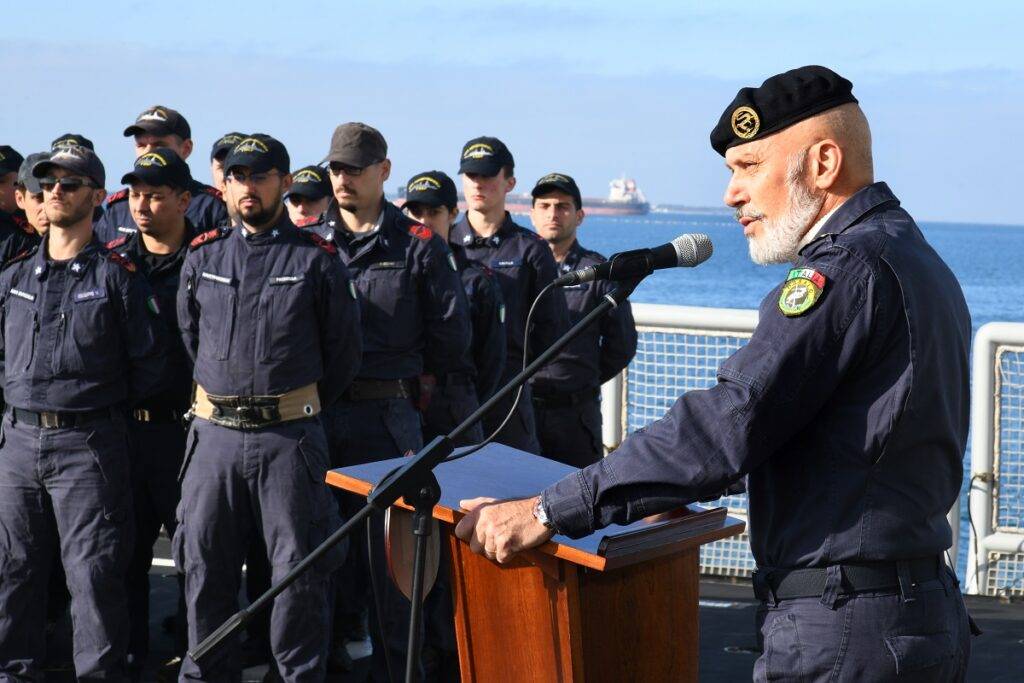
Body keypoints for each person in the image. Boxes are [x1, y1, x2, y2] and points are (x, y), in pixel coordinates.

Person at [454, 65, 974, 682]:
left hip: (845, 631)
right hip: (906, 612)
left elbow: (727, 425)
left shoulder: (841, 273)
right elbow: (823, 433)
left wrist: (544, 511)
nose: (732, 193)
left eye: (749, 166)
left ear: (824, 164)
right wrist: (651, 493)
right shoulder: (908, 253)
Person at [175, 134, 362, 682]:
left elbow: (342, 355)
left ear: (283, 181)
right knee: (204, 568)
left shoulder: (318, 260)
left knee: (296, 574)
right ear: (225, 185)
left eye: (260, 176)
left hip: (288, 440)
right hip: (214, 440)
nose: (247, 187)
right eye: (237, 177)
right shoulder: (204, 253)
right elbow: (190, 337)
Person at [0, 144, 167, 680]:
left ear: (96, 197)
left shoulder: (118, 277)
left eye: (69, 184)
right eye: (48, 183)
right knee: (14, 571)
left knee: (93, 577)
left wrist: (93, 410)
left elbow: (150, 367)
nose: (55, 192)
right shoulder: (16, 275)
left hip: (88, 445)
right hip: (19, 443)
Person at [317, 123, 471, 680]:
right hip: (318, 418)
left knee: (393, 570)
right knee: (317, 558)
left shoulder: (419, 247)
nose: (343, 179)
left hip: (388, 419)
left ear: (383, 171)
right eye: (336, 169)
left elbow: (451, 340)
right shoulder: (311, 241)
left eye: (355, 169)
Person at [402, 170, 506, 681]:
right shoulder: (398, 265)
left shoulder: (475, 279)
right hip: (404, 415)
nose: (422, 221)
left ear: (450, 216)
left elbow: (490, 362)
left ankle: (455, 652)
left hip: (454, 413)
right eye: (414, 212)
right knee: (404, 542)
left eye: (433, 213)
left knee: (454, 537)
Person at [108, 148, 198, 680]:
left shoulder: (207, 261)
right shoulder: (116, 261)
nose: (142, 205)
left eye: (156, 195)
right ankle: (132, 654)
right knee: (125, 555)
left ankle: (194, 653)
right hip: (126, 430)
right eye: (136, 195)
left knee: (196, 557)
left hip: (188, 430)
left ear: (183, 200)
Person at [449, 136, 569, 454]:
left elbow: (552, 330)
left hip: (508, 394)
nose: (477, 184)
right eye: (470, 175)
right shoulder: (442, 245)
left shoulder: (530, 250)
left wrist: (515, 366)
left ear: (509, 182)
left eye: (487, 175)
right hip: (450, 391)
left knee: (513, 488)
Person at [529, 172, 636, 467]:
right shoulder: (520, 270)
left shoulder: (600, 272)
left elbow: (622, 345)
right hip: (522, 412)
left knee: (578, 505)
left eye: (563, 206)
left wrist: (582, 378)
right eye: (545, 206)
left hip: (576, 417)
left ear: (579, 216)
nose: (553, 214)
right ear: (532, 214)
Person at [94, 106, 228, 241]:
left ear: (186, 149)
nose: (148, 153)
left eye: (159, 145)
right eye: (141, 145)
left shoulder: (210, 207)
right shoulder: (119, 209)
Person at [14, 153, 52, 236]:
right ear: (20, 199)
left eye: (53, 197)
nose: (46, 207)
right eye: (39, 198)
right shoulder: (10, 245)